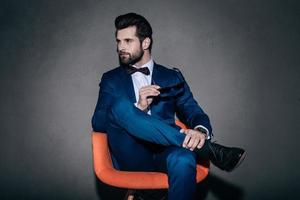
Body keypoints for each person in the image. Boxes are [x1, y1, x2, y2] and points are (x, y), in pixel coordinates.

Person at [92, 12, 245, 200]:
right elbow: (99, 123)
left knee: (183, 159)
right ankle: (208, 149)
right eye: (118, 41)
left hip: (164, 151)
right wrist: (137, 107)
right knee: (119, 106)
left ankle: (151, 194)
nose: (120, 47)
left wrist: (199, 131)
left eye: (127, 41)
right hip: (131, 152)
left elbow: (193, 111)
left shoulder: (172, 77)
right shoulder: (111, 79)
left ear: (145, 43)